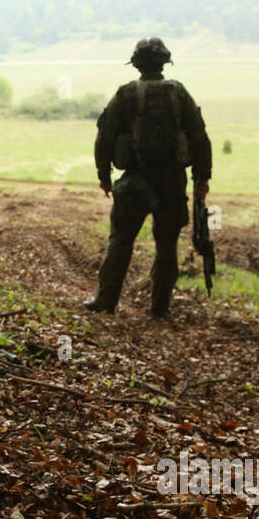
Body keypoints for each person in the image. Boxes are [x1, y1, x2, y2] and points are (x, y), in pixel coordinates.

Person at [83, 36, 212, 317]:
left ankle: (105, 302)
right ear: (165, 62)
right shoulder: (179, 93)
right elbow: (200, 137)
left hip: (134, 181)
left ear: (136, 64)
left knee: (120, 240)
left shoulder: (126, 94)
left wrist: (103, 175)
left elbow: (104, 138)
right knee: (166, 245)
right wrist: (203, 178)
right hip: (172, 180)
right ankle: (160, 308)